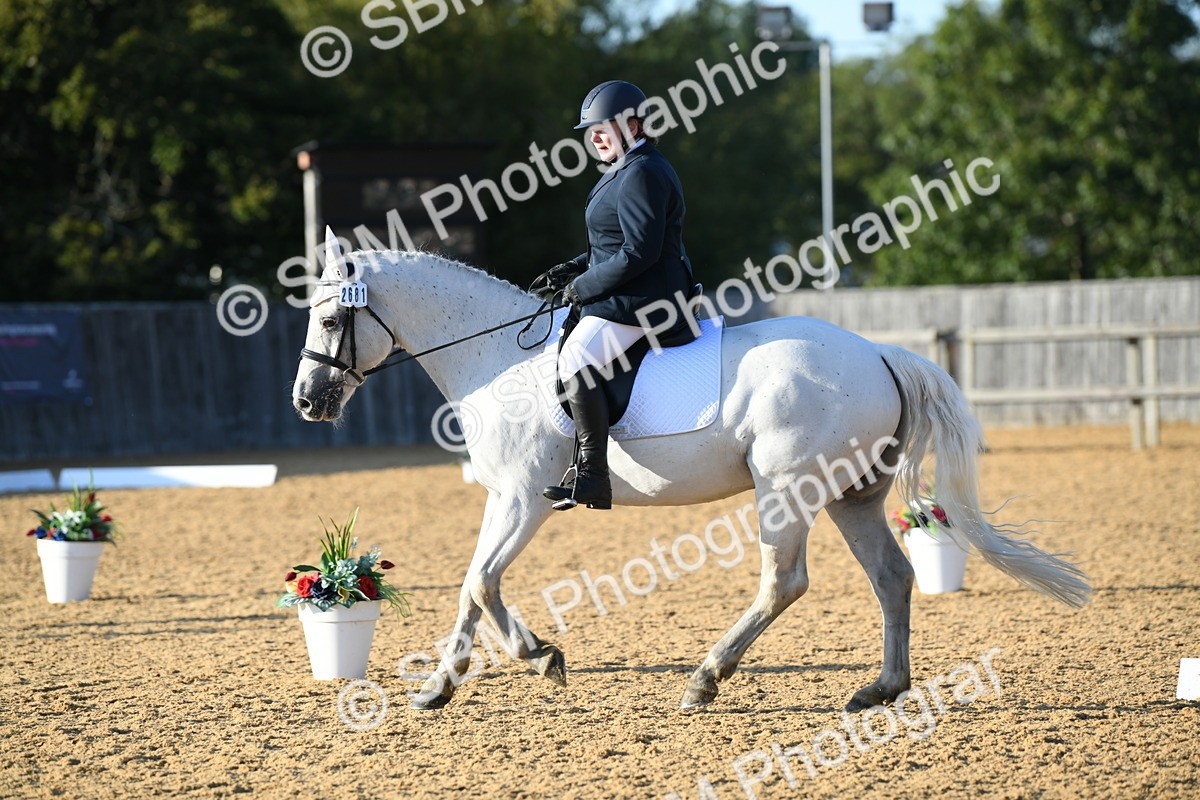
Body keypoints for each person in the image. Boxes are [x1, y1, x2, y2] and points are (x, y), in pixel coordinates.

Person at [532, 80, 696, 511]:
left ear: (634, 125)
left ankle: (593, 477)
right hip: (632, 288)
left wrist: (582, 287)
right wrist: (573, 267)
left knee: (575, 359)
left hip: (648, 298)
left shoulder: (642, 171)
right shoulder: (629, 167)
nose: (595, 136)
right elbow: (611, 244)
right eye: (591, 130)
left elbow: (639, 252)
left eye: (604, 127)